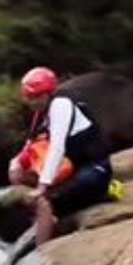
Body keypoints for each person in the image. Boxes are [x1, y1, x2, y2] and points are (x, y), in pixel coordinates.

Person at [13, 66, 115, 245]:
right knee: (18, 172)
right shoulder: (40, 114)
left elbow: (57, 147)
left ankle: (42, 246)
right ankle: (43, 217)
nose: (32, 102)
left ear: (47, 94)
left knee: (46, 199)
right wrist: (16, 164)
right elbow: (29, 146)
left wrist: (43, 186)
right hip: (72, 168)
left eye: (37, 97)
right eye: (30, 97)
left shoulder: (61, 105)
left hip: (94, 170)